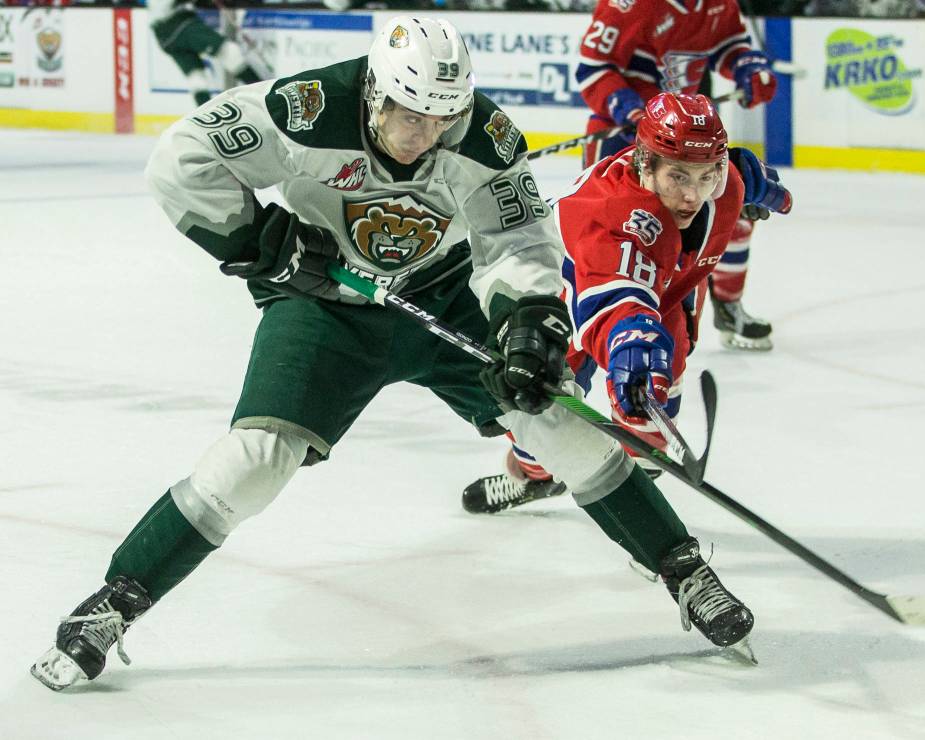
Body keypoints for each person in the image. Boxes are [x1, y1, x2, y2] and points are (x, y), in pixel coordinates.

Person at [30, 16, 756, 692]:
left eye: (442, 118)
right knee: (256, 459)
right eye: (411, 117)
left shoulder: (484, 136)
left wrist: (529, 326)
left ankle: (685, 571)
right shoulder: (309, 107)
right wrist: (264, 245)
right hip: (323, 309)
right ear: (376, 90)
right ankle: (117, 600)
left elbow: (518, 243)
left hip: (443, 295)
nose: (426, 134)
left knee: (556, 423)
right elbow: (181, 157)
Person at [462, 92, 791, 515]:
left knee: (652, 407)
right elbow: (613, 294)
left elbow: (738, 171)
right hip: (569, 294)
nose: (693, 195)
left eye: (706, 176)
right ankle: (533, 477)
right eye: (678, 177)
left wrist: (759, 184)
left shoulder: (727, 178)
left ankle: (643, 507)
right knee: (542, 413)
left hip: (662, 298)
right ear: (644, 161)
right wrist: (630, 339)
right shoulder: (608, 212)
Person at [576, 0, 779, 351]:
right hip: (626, 145)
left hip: (691, 145)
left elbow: (730, 44)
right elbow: (593, 68)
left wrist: (747, 66)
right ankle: (602, 323)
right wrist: (628, 109)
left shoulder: (718, 4)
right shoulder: (629, 5)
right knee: (624, 239)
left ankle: (728, 309)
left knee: (734, 214)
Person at [148, 0, 262, 108]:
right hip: (179, 23)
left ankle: (206, 119)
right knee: (229, 51)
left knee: (196, 77)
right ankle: (263, 94)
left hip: (163, 35)